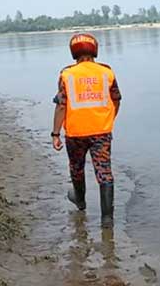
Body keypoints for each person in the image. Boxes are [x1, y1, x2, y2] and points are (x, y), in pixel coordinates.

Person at [51, 34, 122, 228]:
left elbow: (61, 106)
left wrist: (55, 133)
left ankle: (80, 201)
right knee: (104, 172)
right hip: (101, 132)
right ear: (94, 50)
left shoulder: (67, 74)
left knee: (76, 167)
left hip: (75, 133)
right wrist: (108, 119)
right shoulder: (106, 72)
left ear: (73, 52)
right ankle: (107, 219)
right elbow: (116, 99)